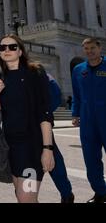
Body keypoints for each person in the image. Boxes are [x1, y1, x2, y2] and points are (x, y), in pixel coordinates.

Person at [0, 34, 54, 203]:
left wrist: (48, 148)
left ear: (20, 51)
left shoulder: (35, 72)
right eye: (2, 47)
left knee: (26, 198)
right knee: (21, 197)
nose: (7, 50)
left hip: (31, 148)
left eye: (12, 47)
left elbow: (45, 112)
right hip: (10, 147)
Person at [71, 37, 106, 203]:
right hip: (87, 120)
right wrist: (75, 113)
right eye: (86, 48)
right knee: (91, 158)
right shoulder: (79, 70)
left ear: (100, 48)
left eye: (92, 48)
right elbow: (76, 95)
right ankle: (100, 192)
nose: (89, 51)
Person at [47, 73, 74, 203]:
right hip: (18, 131)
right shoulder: (6, 73)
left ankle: (66, 193)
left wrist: (42, 113)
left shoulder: (36, 71)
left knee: (54, 161)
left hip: (40, 128)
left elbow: (55, 92)